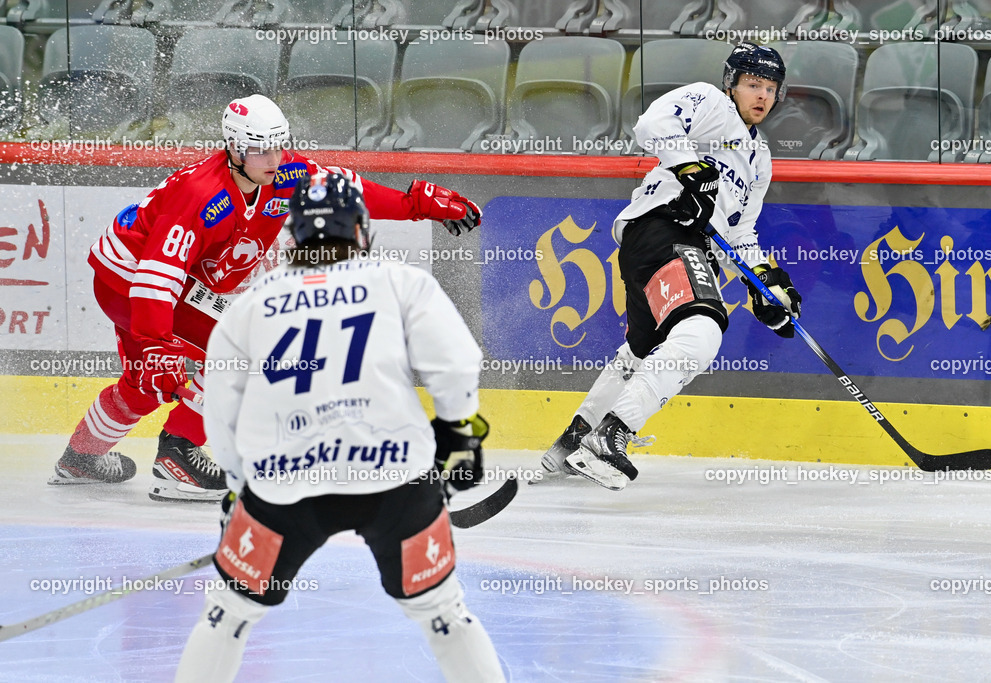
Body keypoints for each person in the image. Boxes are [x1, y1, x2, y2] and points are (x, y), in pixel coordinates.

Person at [48, 94, 481, 503]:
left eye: (278, 146)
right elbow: (155, 280)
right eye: (259, 150)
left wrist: (414, 205)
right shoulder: (201, 196)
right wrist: (154, 343)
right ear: (234, 149)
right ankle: (177, 456)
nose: (273, 159)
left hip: (162, 286)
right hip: (131, 283)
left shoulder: (282, 172)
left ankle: (81, 457)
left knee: (145, 384)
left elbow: (343, 189)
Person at [173, 172, 504, 682]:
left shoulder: (251, 305)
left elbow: (220, 411)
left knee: (227, 613)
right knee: (443, 613)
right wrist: (461, 435)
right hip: (396, 479)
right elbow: (455, 364)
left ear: (293, 233)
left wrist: (240, 487)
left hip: (283, 489)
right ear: (362, 231)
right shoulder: (400, 281)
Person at [540, 42, 803, 490]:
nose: (761, 95)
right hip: (665, 229)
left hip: (680, 247)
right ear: (732, 84)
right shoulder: (712, 104)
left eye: (770, 88)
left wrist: (765, 282)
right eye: (752, 84)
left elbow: (741, 235)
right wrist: (690, 169)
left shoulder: (761, 159)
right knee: (702, 330)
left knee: (642, 352)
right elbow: (653, 125)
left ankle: (571, 443)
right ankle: (612, 436)